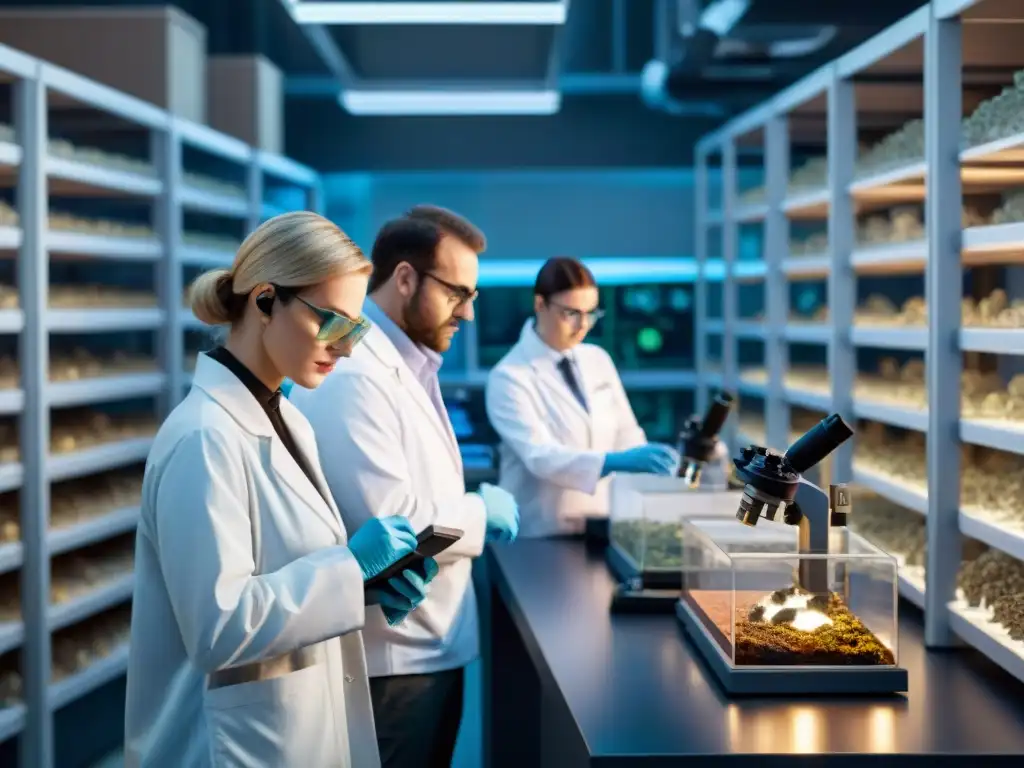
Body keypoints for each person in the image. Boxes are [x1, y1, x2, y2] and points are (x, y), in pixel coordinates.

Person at [124, 212, 439, 768]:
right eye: (332, 323)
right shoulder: (204, 438)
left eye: (356, 329)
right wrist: (348, 568)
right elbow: (218, 627)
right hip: (225, 746)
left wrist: (363, 590)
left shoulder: (288, 420)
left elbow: (283, 570)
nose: (345, 349)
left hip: (289, 731)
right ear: (266, 300)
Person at [291, 205, 519, 768]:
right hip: (391, 660)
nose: (467, 312)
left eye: (472, 297)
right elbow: (393, 527)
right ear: (405, 278)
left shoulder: (403, 363)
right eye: (456, 293)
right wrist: (477, 510)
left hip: (425, 648)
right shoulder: (354, 372)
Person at [485, 256, 712, 538]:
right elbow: (540, 456)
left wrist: (657, 460)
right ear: (540, 304)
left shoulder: (597, 359)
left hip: (601, 525)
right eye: (571, 313)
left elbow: (627, 434)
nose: (583, 325)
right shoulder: (508, 376)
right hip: (541, 532)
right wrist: (611, 462)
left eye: (591, 313)